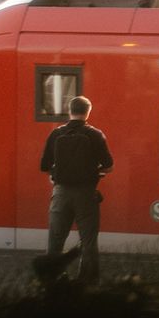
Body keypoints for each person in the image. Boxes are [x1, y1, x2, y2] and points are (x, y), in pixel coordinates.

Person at [39, 94, 114, 288]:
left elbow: (44, 165)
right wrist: (95, 170)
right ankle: (87, 282)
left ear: (70, 111)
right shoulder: (96, 134)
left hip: (60, 194)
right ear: (88, 112)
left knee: (55, 239)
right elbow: (108, 165)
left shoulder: (56, 134)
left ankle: (52, 281)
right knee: (88, 240)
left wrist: (54, 174)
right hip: (86, 193)